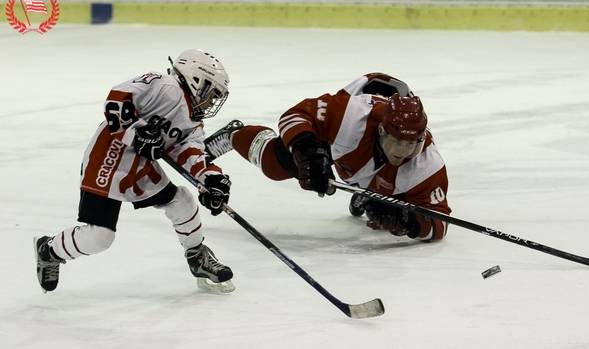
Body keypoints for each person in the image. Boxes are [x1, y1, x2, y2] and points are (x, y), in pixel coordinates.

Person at [34, 49, 235, 293]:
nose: (211, 101)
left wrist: (211, 179)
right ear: (196, 78)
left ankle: (197, 256)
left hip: (139, 165)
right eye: (211, 93)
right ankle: (49, 249)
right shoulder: (164, 85)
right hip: (109, 156)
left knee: (181, 200)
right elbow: (117, 98)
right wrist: (136, 132)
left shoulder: (194, 123)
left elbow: (190, 153)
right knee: (101, 237)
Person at [204, 73, 451, 241]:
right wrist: (307, 151)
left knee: (397, 202)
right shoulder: (351, 116)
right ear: (382, 131)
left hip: (369, 161)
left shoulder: (427, 161)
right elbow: (294, 116)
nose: (403, 151)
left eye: (411, 144)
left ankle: (363, 191)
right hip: (351, 124)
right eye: (396, 141)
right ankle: (233, 135)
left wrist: (408, 222)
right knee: (277, 164)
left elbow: (440, 222)